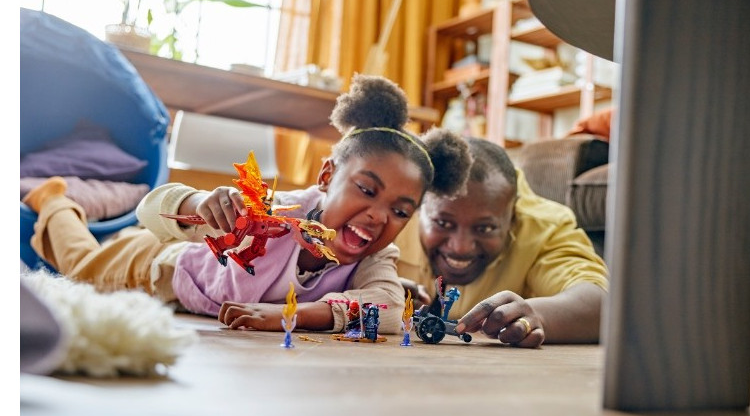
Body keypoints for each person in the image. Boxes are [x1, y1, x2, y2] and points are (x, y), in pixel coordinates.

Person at [23, 75, 472, 335]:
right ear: (326, 177)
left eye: (400, 211)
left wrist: (292, 315)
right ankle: (55, 200)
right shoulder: (271, 212)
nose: (379, 216)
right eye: (367, 191)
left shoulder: (376, 257)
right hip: (154, 269)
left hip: (192, 297)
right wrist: (199, 201)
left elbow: (388, 310)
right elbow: (151, 209)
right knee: (76, 267)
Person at [394, 135, 609, 348]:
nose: (461, 247)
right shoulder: (390, 210)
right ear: (418, 208)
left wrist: (537, 315)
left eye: (485, 228)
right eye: (443, 223)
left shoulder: (544, 226)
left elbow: (600, 302)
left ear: (513, 217)